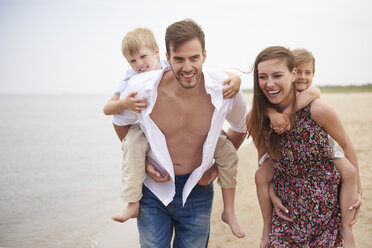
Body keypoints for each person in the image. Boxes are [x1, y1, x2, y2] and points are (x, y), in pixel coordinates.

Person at [110, 19, 249, 247]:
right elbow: (119, 121)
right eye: (179, 59)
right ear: (167, 57)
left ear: (204, 55)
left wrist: (216, 168)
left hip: (198, 188)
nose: (187, 67)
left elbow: (240, 127)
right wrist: (143, 163)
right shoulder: (143, 88)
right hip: (153, 190)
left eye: (194, 58)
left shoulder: (224, 89)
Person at [247, 46, 360, 247]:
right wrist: (271, 192)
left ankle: (346, 230)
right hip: (287, 214)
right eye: (263, 77)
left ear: (293, 74)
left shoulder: (317, 109)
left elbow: (346, 144)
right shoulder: (257, 118)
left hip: (326, 210)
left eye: (277, 75)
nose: (269, 83)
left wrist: (358, 190)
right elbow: (263, 162)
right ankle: (266, 229)